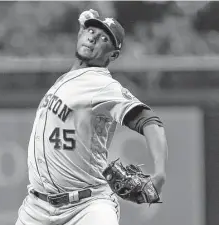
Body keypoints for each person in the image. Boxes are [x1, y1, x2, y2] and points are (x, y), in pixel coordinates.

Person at [15, 9, 168, 225]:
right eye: (91, 31)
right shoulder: (70, 77)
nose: (94, 37)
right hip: (37, 208)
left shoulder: (102, 85)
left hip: (87, 207)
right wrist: (84, 27)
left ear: (113, 55)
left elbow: (149, 121)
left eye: (104, 38)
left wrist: (160, 172)